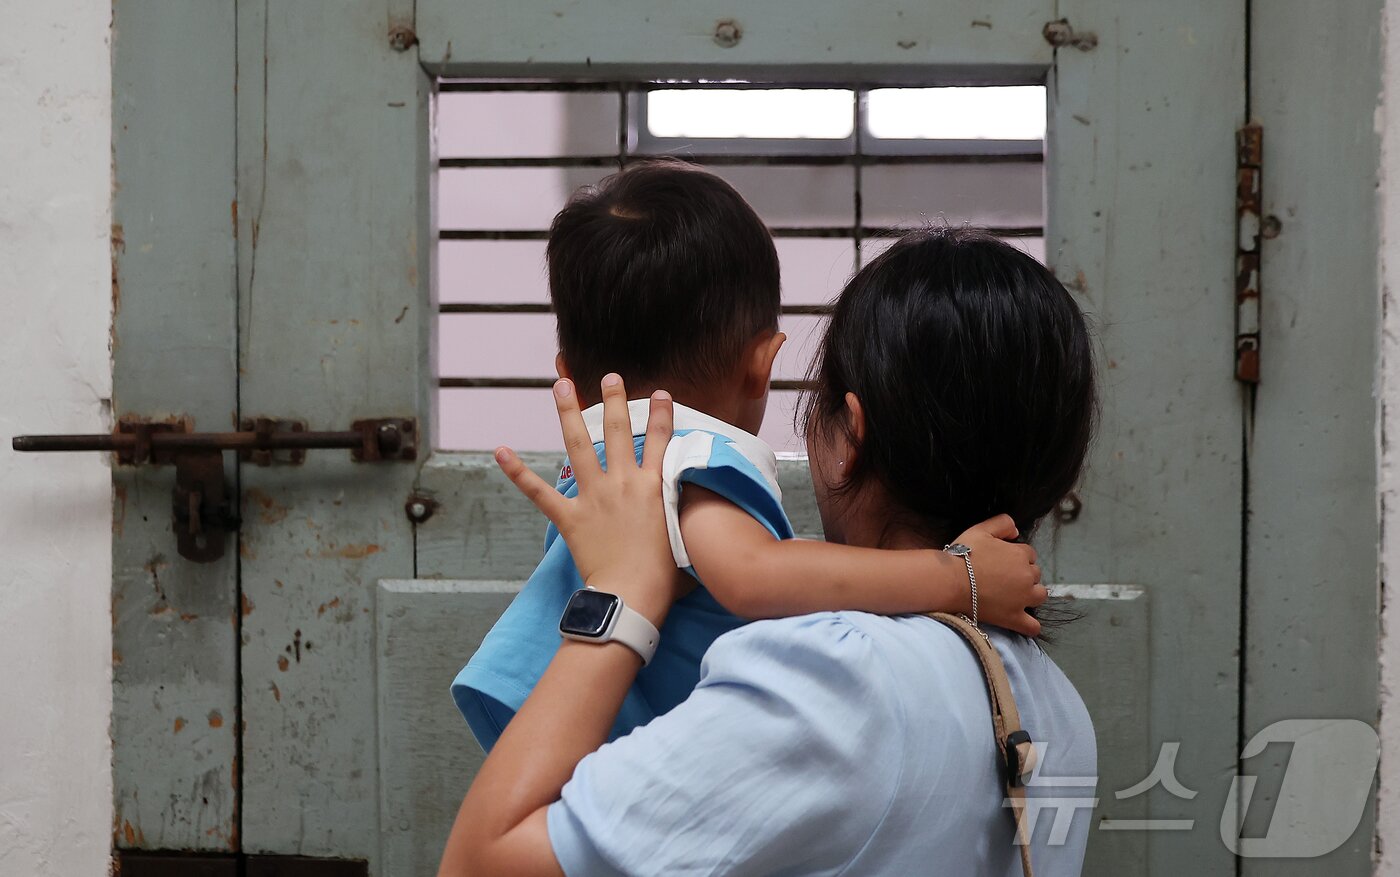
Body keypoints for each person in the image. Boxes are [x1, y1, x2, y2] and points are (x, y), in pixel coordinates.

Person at [438, 227, 1099, 876]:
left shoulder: (833, 683)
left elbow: (478, 866)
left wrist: (621, 591)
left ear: (850, 435)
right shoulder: (1059, 710)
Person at [453, 162, 1047, 752]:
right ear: (762, 365)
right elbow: (754, 577)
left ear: (569, 381)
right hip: (631, 743)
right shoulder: (690, 451)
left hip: (560, 724)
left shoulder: (610, 462)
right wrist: (958, 578)